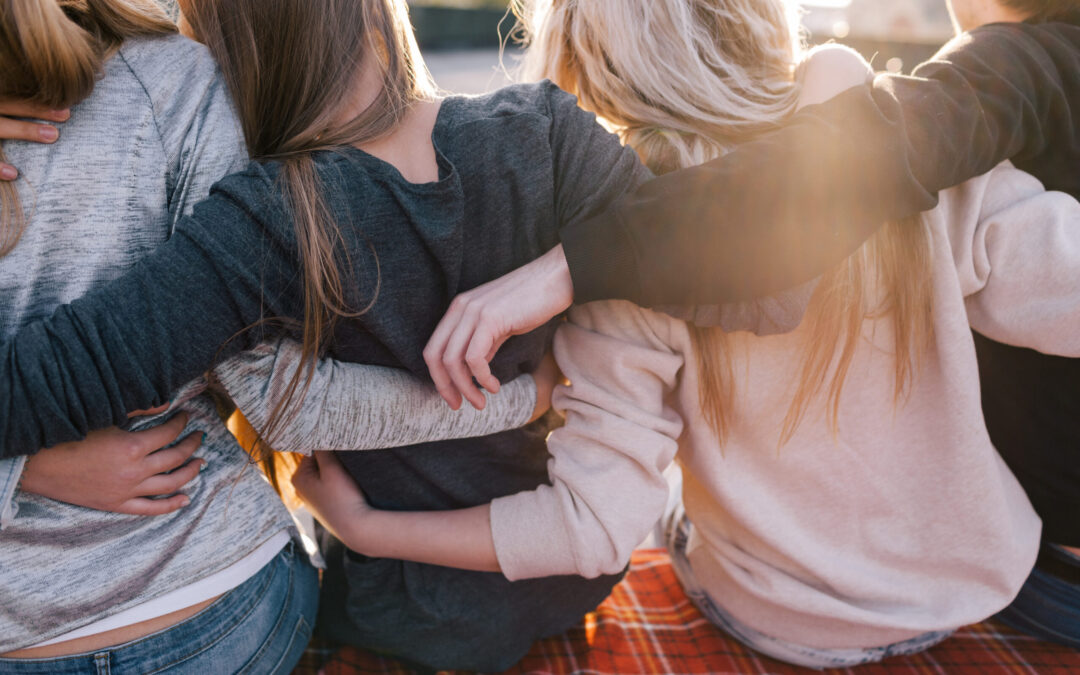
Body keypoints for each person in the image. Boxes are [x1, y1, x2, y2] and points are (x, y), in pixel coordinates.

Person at [291, 0, 1080, 667]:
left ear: (588, 68)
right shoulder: (908, 157)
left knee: (682, 526)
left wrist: (366, 526)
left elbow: (594, 529)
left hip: (776, 617)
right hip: (974, 580)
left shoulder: (617, 260)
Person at [0, 0, 667, 668]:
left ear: (231, 63)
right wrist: (540, 351)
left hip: (397, 606)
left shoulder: (268, 217)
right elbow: (692, 231)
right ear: (377, 16)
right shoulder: (550, 130)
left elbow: (72, 372)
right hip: (568, 581)